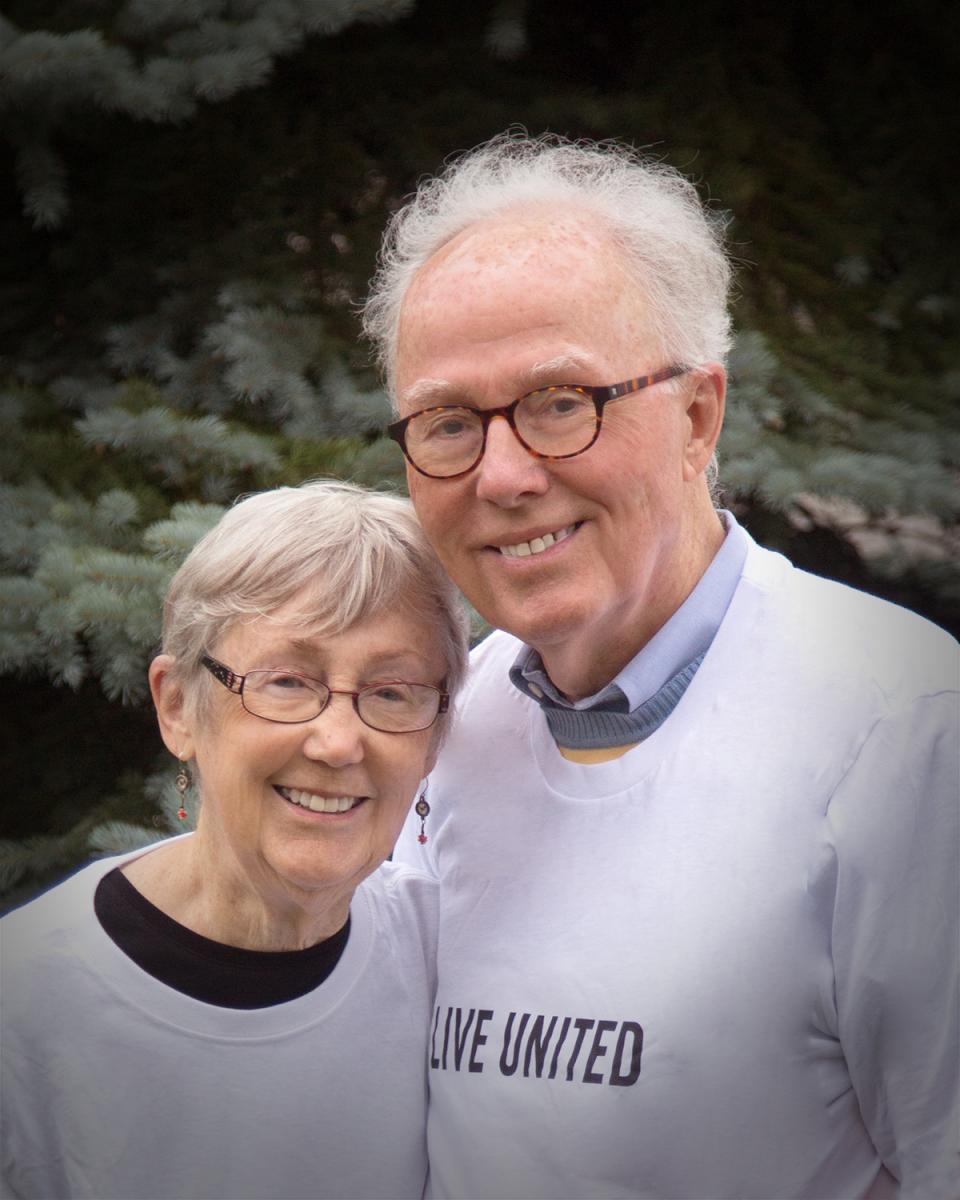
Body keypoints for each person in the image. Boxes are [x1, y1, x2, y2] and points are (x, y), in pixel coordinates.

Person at [362, 133, 960, 1199]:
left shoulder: (904, 730)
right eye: (448, 422)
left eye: (559, 402)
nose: (502, 477)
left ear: (696, 417)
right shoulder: (448, 731)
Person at [0, 480, 468, 1200]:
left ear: (434, 737)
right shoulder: (23, 1007)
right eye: (286, 681)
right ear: (178, 706)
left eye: (392, 691)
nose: (340, 741)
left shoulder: (450, 963)